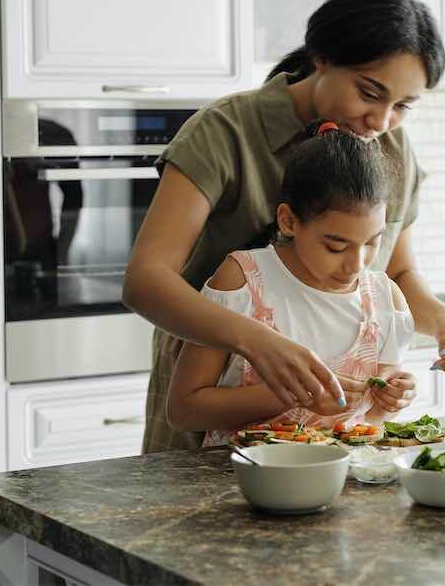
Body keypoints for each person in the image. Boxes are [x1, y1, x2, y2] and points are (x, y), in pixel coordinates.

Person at [123, 0, 445, 452]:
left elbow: (395, 271)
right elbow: (145, 280)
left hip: (331, 436)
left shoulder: (390, 146)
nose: (381, 120)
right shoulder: (225, 131)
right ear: (322, 57)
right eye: (369, 92)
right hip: (213, 402)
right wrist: (257, 341)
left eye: (402, 107)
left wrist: (442, 321)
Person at [168, 125, 415, 445]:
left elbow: (372, 420)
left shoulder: (385, 300)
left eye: (372, 242)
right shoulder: (243, 280)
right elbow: (184, 410)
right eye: (336, 247)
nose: (357, 264)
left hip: (344, 482)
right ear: (288, 221)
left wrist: (391, 400)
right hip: (239, 482)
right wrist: (291, 395)